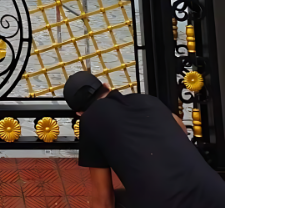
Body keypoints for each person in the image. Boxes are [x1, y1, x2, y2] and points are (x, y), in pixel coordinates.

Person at [63, 70, 224, 208]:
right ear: (107, 86)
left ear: (79, 113)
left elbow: (103, 201)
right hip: (219, 197)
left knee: (117, 200)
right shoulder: (148, 100)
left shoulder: (90, 120)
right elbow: (182, 129)